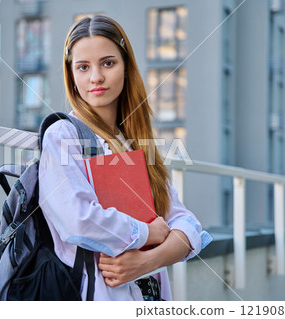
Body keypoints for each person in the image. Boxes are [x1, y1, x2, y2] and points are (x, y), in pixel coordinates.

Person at [38, 15, 212, 301]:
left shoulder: (134, 143)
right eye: (83, 67)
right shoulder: (63, 134)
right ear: (71, 75)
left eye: (108, 63)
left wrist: (147, 261)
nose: (96, 77)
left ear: (126, 66)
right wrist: (147, 233)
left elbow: (188, 225)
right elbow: (78, 220)